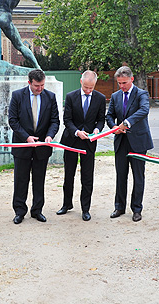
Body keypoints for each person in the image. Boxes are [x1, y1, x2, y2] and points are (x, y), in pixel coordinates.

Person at [8, 69, 60, 224]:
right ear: (29, 82)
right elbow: (13, 120)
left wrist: (50, 135)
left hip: (42, 147)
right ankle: (19, 211)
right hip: (22, 146)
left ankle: (37, 210)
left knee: (39, 180)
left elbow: (55, 120)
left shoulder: (50, 97)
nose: (40, 88)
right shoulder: (17, 96)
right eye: (37, 85)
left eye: (42, 85)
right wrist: (26, 137)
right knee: (20, 180)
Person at [106, 66, 153, 222]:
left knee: (138, 176)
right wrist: (113, 126)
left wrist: (126, 122)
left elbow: (144, 110)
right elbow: (110, 115)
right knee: (121, 175)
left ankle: (137, 209)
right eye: (119, 83)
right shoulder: (115, 96)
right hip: (121, 141)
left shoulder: (141, 94)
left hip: (139, 142)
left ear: (131, 79)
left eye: (124, 82)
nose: (122, 86)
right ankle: (119, 206)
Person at [57, 70, 106, 221]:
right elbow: (67, 120)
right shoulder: (71, 96)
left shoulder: (100, 98)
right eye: (85, 87)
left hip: (89, 143)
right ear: (81, 82)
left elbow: (100, 120)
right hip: (72, 140)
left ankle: (86, 208)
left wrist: (97, 130)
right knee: (69, 174)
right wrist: (77, 132)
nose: (88, 90)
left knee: (87, 176)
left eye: (91, 88)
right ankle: (66, 204)